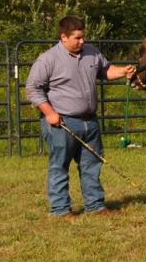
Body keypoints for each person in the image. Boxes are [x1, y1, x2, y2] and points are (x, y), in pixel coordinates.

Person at [25, 15, 135, 217]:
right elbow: (32, 89)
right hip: (62, 123)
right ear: (63, 37)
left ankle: (95, 205)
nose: (82, 41)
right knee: (60, 166)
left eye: (83, 37)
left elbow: (105, 70)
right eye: (77, 38)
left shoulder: (92, 53)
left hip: (90, 121)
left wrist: (122, 71)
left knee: (92, 164)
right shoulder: (48, 59)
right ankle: (60, 209)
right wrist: (49, 113)